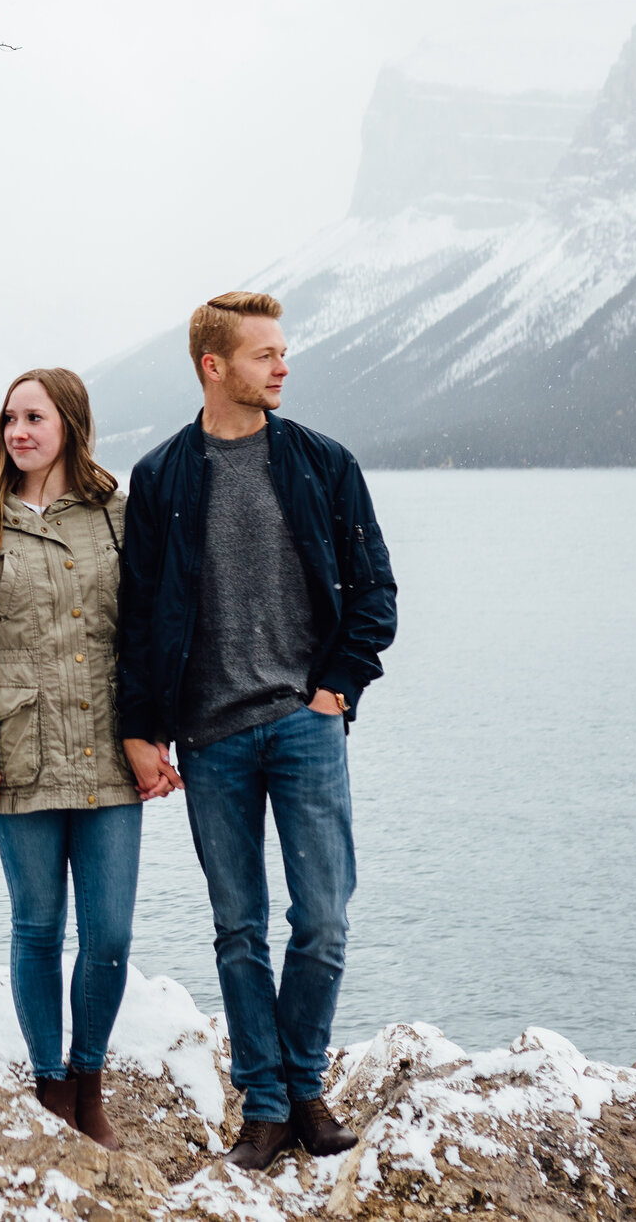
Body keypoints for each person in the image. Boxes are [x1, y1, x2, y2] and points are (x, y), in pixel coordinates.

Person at [115, 291, 397, 1171]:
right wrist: (142, 730)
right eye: (264, 353)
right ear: (214, 365)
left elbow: (375, 592)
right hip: (210, 739)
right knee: (238, 928)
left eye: (282, 351)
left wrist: (335, 690)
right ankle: (268, 1110)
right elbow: (138, 619)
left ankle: (305, 1086)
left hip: (306, 727)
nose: (283, 365)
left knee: (323, 921)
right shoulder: (163, 476)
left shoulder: (322, 462)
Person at [0, 367, 158, 1152]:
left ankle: (89, 1079)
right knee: (38, 927)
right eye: (8, 419)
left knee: (109, 935)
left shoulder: (117, 515)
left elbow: (146, 633)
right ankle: (49, 1085)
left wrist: (153, 734)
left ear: (69, 421)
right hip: (20, 754)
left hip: (108, 754)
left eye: (33, 416)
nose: (17, 432)